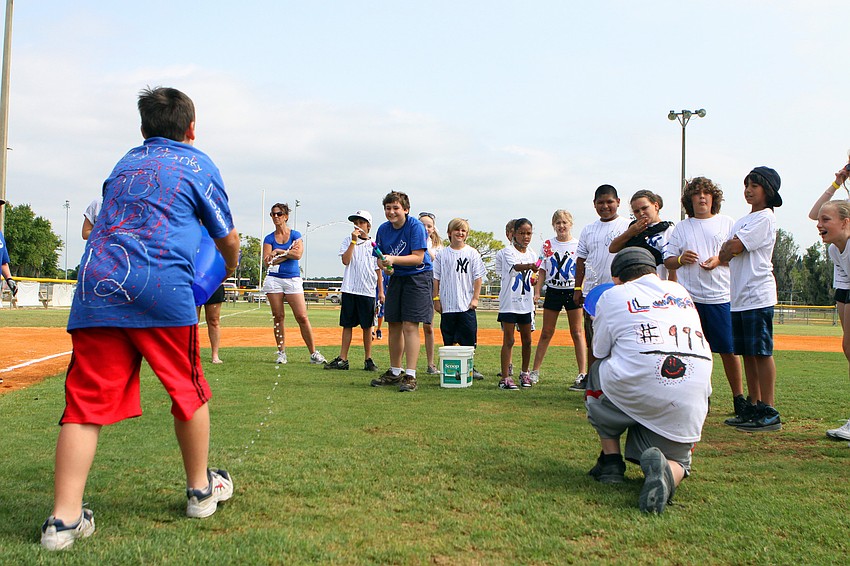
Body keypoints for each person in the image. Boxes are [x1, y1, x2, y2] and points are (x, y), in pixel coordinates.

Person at [40, 87, 241, 551]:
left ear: (143, 129)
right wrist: (225, 271)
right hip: (164, 286)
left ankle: (63, 521)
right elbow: (226, 237)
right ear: (191, 129)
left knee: (84, 403)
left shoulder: (124, 162)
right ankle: (200, 490)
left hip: (99, 285)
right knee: (187, 390)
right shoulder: (199, 162)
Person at [586, 247, 712, 514]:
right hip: (689, 399)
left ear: (617, 277)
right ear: (653, 272)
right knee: (679, 460)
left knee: (596, 371)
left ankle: (610, 461)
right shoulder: (680, 292)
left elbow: (599, 351)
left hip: (635, 391)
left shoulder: (613, 295)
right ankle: (670, 472)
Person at [663, 177, 743, 416]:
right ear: (689, 200)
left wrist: (719, 260)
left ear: (713, 198)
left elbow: (739, 255)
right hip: (690, 301)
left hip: (721, 296)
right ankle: (700, 396)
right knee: (694, 351)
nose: (701, 197)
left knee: (728, 350)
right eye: (696, 194)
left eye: (705, 193)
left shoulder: (727, 223)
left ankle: (738, 399)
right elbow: (667, 260)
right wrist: (680, 260)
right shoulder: (682, 227)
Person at [718, 166, 782, 431]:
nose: (748, 190)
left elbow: (732, 247)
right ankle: (754, 406)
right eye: (747, 185)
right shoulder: (742, 220)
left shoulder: (765, 218)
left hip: (758, 294)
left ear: (767, 190)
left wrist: (731, 246)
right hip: (740, 296)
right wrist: (729, 248)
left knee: (761, 352)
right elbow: (723, 255)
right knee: (747, 352)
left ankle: (769, 409)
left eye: (755, 185)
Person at [369, 191, 432, 392]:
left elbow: (418, 257)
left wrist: (393, 260)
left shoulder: (415, 227)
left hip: (418, 277)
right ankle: (395, 371)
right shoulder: (383, 229)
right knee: (394, 323)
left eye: (396, 208)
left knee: (410, 324)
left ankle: (410, 375)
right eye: (388, 208)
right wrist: (385, 265)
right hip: (397, 277)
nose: (391, 212)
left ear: (405, 209)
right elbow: (380, 258)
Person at [572, 185, 631, 391]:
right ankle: (592, 380)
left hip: (620, 293)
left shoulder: (628, 226)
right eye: (600, 203)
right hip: (593, 295)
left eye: (609, 202)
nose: (605, 206)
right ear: (594, 204)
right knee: (593, 341)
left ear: (618, 202)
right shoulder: (588, 229)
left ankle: (617, 382)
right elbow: (581, 260)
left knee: (620, 340)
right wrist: (578, 288)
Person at [262, 203, 327, 366]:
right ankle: (281, 352)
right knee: (278, 317)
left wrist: (277, 252)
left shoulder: (295, 235)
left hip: (292, 279)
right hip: (274, 280)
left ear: (286, 216)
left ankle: (313, 353)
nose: (275, 217)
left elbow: (298, 254)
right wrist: (283, 254)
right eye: (273, 214)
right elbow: (267, 262)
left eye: (279, 214)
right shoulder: (269, 238)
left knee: (302, 316)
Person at [530, 209, 586, 385]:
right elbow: (541, 268)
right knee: (546, 332)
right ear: (553, 225)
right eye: (558, 223)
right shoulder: (548, 244)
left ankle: (582, 373)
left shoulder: (578, 245)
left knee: (577, 332)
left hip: (572, 290)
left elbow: (581, 268)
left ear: (571, 224)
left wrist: (580, 288)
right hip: (553, 290)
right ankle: (535, 371)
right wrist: (537, 291)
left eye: (564, 222)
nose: (561, 226)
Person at [324, 210, 382, 372]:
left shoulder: (375, 244)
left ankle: (368, 359)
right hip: (350, 288)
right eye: (356, 222)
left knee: (367, 327)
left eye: (361, 222)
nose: (358, 225)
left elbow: (379, 270)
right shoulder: (348, 240)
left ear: (368, 225)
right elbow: (345, 260)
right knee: (347, 325)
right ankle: (343, 358)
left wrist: (381, 292)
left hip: (368, 291)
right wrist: (353, 242)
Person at [433, 218, 486, 379]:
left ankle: (470, 367)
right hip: (448, 306)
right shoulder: (442, 254)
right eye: (457, 230)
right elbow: (436, 278)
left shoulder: (472, 253)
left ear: (466, 234)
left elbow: (478, 278)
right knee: (448, 340)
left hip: (466, 306)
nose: (460, 233)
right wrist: (436, 299)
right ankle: (449, 368)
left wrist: (475, 299)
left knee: (469, 339)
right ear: (449, 233)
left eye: (463, 231)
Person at [815, 199, 850, 440]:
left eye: (825, 220)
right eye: (819, 220)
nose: (818, 225)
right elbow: (843, 294)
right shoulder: (833, 250)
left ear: (845, 222)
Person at [496, 218, 538, 389]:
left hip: (525, 303)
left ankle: (525, 373)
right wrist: (531, 266)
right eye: (522, 233)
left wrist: (534, 278)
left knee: (527, 340)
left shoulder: (533, 253)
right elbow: (515, 267)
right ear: (514, 234)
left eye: (528, 233)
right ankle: (505, 377)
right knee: (509, 340)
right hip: (510, 303)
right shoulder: (507, 252)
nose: (525, 237)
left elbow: (532, 276)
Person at [609, 190, 676, 281]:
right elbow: (613, 248)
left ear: (656, 206)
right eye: (636, 211)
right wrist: (630, 233)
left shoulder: (669, 231)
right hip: (633, 282)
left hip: (657, 282)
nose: (641, 213)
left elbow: (673, 268)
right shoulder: (634, 229)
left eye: (645, 208)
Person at [419, 212, 443, 375]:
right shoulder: (410, 241)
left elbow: (436, 261)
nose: (426, 228)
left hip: (430, 285)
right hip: (415, 283)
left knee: (428, 326)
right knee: (409, 326)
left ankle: (431, 363)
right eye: (422, 225)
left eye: (429, 226)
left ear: (433, 229)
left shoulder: (438, 247)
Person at [495, 219, 516, 378]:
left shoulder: (529, 253)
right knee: (508, 337)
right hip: (508, 299)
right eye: (512, 233)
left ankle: (522, 369)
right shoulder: (503, 253)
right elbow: (502, 274)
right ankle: (508, 366)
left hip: (524, 300)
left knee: (525, 335)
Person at [197, 284, 225, 364]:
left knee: (214, 320)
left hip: (214, 285)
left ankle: (215, 355)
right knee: (192, 321)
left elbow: (229, 271)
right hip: (195, 284)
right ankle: (190, 354)